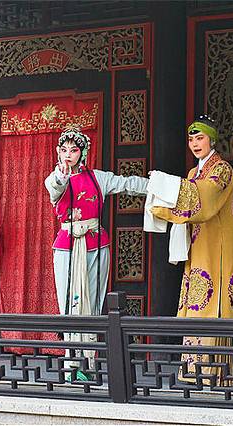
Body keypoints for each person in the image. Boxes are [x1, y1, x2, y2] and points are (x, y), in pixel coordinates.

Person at [44, 125, 148, 381]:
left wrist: (159, 186)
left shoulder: (97, 178)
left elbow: (127, 184)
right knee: (70, 303)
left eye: (74, 150)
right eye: (64, 150)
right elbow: (56, 188)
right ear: (58, 152)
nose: (68, 155)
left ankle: (88, 363)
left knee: (92, 303)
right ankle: (72, 363)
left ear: (83, 153)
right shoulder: (54, 178)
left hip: (95, 245)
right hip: (68, 246)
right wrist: (62, 176)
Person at [150, 115, 233, 385]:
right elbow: (189, 192)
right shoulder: (193, 174)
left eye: (200, 138)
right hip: (197, 245)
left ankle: (216, 372)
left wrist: (165, 194)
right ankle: (195, 370)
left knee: (214, 301)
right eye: (191, 140)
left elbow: (204, 198)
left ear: (211, 140)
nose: (195, 144)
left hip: (217, 246)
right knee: (196, 301)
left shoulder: (222, 170)